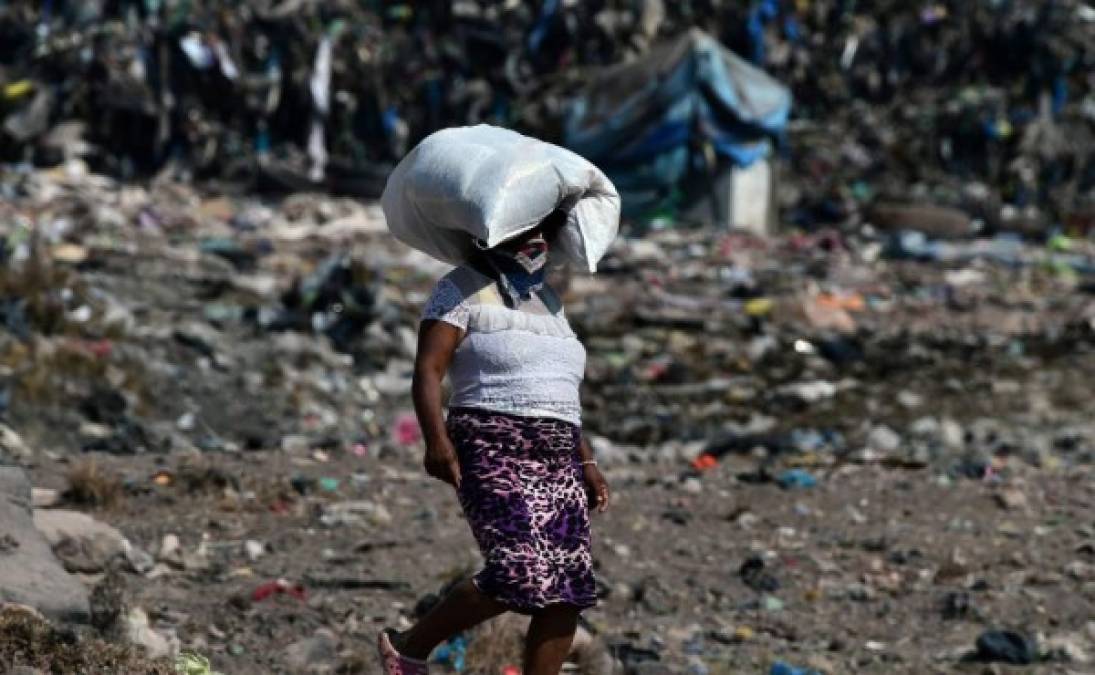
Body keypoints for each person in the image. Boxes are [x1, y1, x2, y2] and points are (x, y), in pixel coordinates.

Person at [377, 210, 611, 675]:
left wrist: (586, 461)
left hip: (558, 450)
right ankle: (408, 646)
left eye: (547, 229)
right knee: (515, 571)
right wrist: (436, 441)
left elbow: (556, 389)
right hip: (492, 442)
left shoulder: (546, 299)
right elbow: (428, 370)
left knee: (567, 586)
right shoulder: (459, 288)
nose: (539, 239)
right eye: (529, 228)